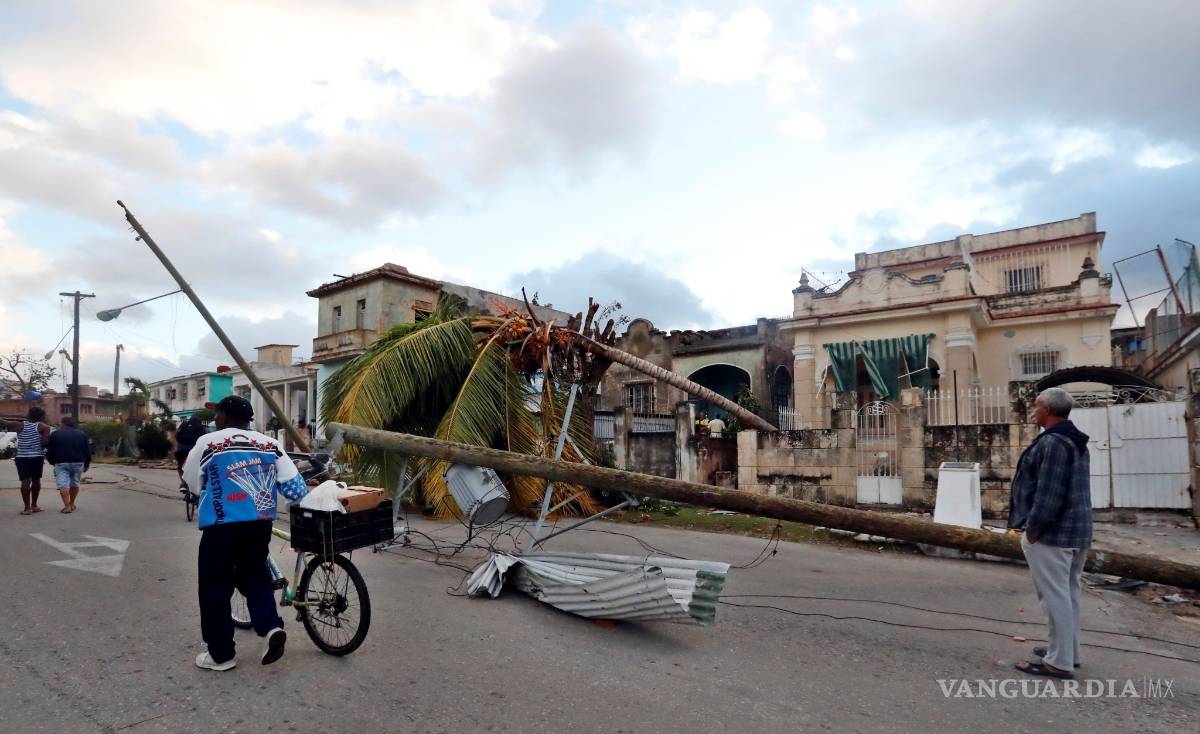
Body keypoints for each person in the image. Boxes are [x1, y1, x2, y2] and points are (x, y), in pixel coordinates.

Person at [182, 395, 309, 671]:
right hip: (258, 525)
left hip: (220, 527)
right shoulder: (270, 444)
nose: (215, 420)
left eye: (217, 415)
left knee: (215, 587)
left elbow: (191, 482)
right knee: (255, 576)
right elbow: (296, 489)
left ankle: (221, 655)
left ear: (225, 418)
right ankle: (271, 627)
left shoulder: (208, 443)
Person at [1008, 387, 1092, 680]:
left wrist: (1033, 530)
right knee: (1067, 594)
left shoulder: (1054, 442)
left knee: (1054, 596)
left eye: (1036, 407)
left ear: (1046, 408)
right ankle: (1067, 652)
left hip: (1054, 534)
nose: (1033, 412)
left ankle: (1059, 662)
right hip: (1077, 530)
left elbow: (1049, 493)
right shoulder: (1075, 440)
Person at [2, 407, 52, 515]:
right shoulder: (44, 427)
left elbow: (3, 422)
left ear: (29, 415)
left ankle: (27, 508)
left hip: (22, 457)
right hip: (36, 457)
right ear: (41, 416)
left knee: (25, 481)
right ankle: (34, 505)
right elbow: (44, 443)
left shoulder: (19, 425)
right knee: (36, 480)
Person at [45, 415, 91, 513]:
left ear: (63, 423)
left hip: (61, 462)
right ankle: (72, 504)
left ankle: (67, 506)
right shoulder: (82, 434)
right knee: (75, 483)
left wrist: (51, 461)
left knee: (63, 485)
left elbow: (50, 450)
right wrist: (87, 464)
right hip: (78, 462)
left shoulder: (55, 434)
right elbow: (87, 450)